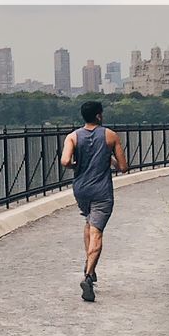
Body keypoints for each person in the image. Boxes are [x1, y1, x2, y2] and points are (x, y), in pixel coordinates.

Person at [59, 101, 128, 302]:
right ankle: (88, 276)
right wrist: (110, 160)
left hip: (81, 190)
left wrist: (76, 165)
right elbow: (123, 167)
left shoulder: (72, 136)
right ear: (99, 115)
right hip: (101, 191)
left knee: (89, 222)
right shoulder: (110, 135)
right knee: (97, 231)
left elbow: (64, 162)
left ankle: (90, 264)